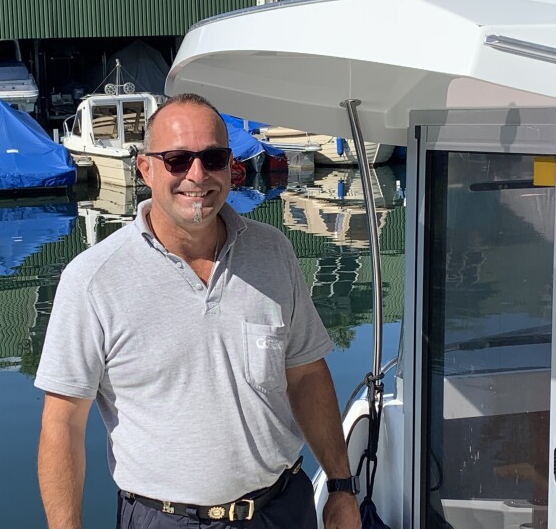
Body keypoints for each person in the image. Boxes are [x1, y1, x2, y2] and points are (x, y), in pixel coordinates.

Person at [35, 93, 361, 529]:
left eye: (213, 158)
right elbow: (63, 423)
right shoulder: (93, 279)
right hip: (165, 519)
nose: (197, 174)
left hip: (284, 508)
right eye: (177, 159)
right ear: (145, 169)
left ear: (231, 166)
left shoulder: (274, 252)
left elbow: (305, 374)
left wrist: (340, 487)